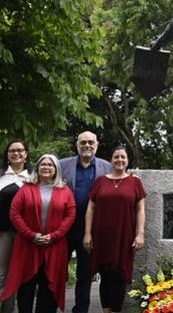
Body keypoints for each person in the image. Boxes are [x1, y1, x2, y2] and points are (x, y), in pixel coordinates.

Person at [2, 154, 76, 313]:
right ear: (37, 168)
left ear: (56, 169)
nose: (46, 167)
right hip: (27, 245)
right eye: (43, 164)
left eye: (51, 165)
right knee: (26, 287)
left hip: (55, 246)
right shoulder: (26, 188)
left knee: (49, 288)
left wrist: (54, 235)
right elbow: (15, 213)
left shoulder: (65, 190)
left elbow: (70, 215)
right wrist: (31, 235)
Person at [83, 146, 146, 313]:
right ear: (111, 160)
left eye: (123, 157)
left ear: (127, 161)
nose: (119, 160)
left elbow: (140, 210)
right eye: (116, 157)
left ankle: (116, 310)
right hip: (101, 236)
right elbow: (91, 209)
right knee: (105, 273)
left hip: (124, 235)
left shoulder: (135, 182)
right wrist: (88, 233)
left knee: (119, 274)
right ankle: (106, 310)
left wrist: (140, 234)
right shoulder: (101, 181)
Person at [59, 131, 112, 313]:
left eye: (90, 142)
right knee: (57, 271)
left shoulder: (107, 167)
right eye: (83, 142)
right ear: (77, 145)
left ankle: (81, 310)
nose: (87, 146)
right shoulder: (62, 165)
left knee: (85, 274)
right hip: (64, 228)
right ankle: (50, 306)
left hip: (91, 230)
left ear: (96, 145)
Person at [0, 139, 32, 313]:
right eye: (12, 150)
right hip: (1, 232)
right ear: (7, 154)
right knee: (1, 275)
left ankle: (9, 310)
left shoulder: (34, 177)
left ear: (26, 153)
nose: (16, 153)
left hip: (25, 234)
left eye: (20, 150)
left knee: (17, 276)